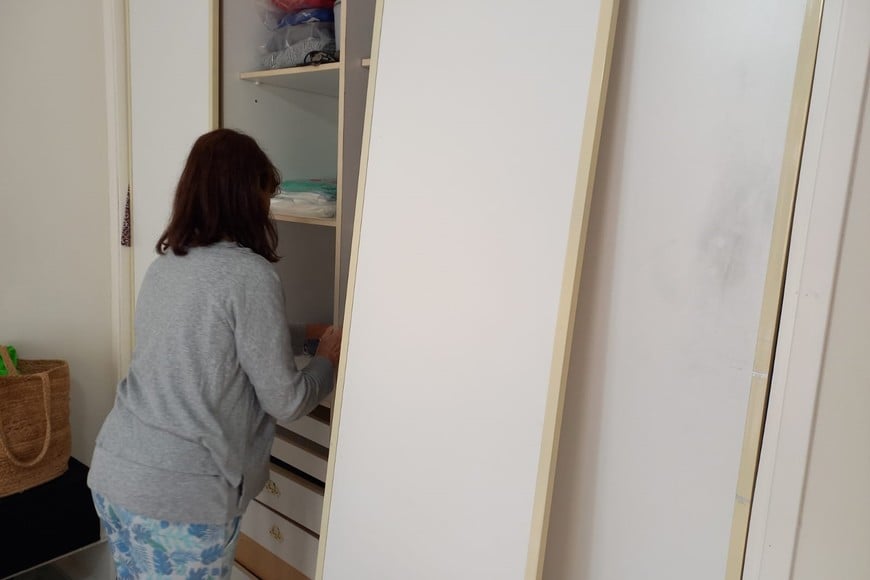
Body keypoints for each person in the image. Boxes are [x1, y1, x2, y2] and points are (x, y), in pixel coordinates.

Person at [87, 128, 340, 579]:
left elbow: (217, 337)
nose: (268, 207)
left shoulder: (167, 266)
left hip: (115, 473)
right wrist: (327, 360)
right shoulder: (250, 276)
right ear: (245, 196)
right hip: (180, 499)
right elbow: (287, 401)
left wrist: (306, 336)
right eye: (265, 193)